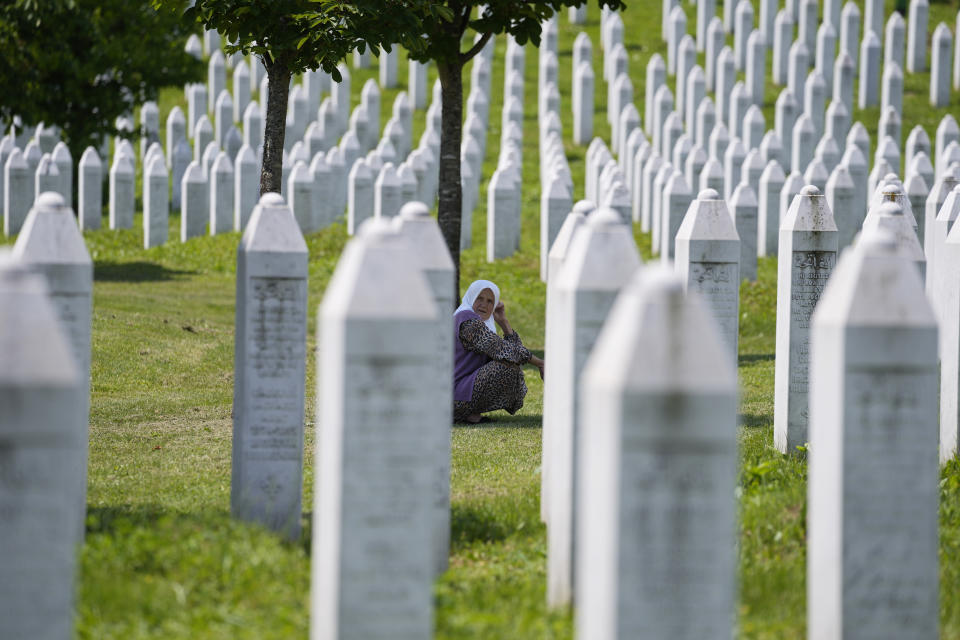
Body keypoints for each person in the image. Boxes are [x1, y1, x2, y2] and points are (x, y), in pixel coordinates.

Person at [452, 279, 545, 424]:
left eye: (490, 301)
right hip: (452, 396)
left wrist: (503, 322)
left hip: (459, 392)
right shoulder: (467, 320)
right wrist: (539, 363)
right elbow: (503, 350)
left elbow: (512, 352)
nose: (484, 305)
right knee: (507, 364)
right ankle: (463, 413)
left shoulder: (484, 324)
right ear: (471, 297)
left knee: (511, 362)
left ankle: (470, 414)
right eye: (480, 298)